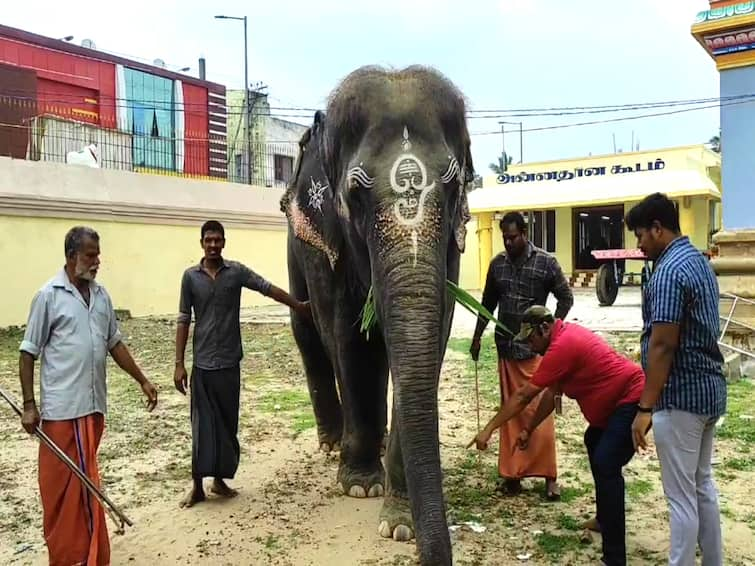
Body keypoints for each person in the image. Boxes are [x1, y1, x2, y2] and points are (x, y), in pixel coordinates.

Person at [18, 226, 158, 566]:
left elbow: (115, 343)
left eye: (98, 255)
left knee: (86, 485)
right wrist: (29, 405)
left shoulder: (102, 297)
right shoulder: (48, 296)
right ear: (71, 257)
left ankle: (91, 555)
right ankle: (69, 558)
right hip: (61, 413)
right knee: (60, 491)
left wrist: (142, 379)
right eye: (90, 256)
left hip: (93, 409)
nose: (97, 262)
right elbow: (27, 353)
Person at [469, 305, 645, 566]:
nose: (530, 346)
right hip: (614, 405)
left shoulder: (563, 345)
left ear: (545, 328)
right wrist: (528, 429)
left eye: (532, 339)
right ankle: (604, 518)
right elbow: (551, 394)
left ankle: (615, 557)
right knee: (594, 441)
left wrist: (488, 429)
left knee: (607, 463)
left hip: (632, 398)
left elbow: (523, 395)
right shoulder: (560, 342)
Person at [175, 220, 311, 508]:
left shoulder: (235, 273)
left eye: (218, 240)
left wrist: (297, 305)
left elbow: (266, 288)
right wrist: (178, 363)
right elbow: (183, 319)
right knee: (201, 427)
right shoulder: (190, 278)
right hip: (202, 365)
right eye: (208, 240)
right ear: (201, 243)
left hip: (229, 362)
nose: (213, 245)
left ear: (224, 242)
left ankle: (220, 481)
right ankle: (197, 486)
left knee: (227, 425)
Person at [627, 193, 726, 566]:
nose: (638, 244)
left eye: (641, 235)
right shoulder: (699, 261)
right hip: (708, 390)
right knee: (702, 486)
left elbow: (663, 345)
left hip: (680, 395)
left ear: (658, 228)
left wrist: (645, 407)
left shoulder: (669, 271)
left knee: (681, 498)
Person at [470, 211, 573, 499]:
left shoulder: (546, 262)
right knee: (511, 413)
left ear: (525, 233)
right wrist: (477, 336)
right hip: (506, 348)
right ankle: (513, 475)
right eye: (505, 237)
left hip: (533, 350)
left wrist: (553, 332)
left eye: (513, 237)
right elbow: (487, 303)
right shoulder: (497, 265)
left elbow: (566, 297)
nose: (509, 242)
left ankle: (549, 476)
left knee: (539, 413)